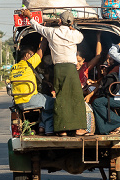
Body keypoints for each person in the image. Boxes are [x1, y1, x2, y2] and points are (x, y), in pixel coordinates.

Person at [21, 8, 88, 136]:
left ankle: (61, 129)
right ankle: (79, 128)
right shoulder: (75, 35)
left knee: (60, 96)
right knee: (76, 97)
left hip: (58, 68)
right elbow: (80, 36)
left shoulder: (51, 32)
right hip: (70, 69)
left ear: (59, 21)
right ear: (71, 23)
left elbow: (37, 27)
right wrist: (71, 27)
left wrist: (29, 16)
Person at [9, 38, 55, 135]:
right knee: (54, 103)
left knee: (45, 103)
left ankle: (41, 126)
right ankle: (49, 129)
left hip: (19, 103)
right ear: (27, 55)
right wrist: (44, 35)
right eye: (32, 55)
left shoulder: (13, 68)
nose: (33, 57)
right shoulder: (29, 64)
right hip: (31, 99)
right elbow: (42, 49)